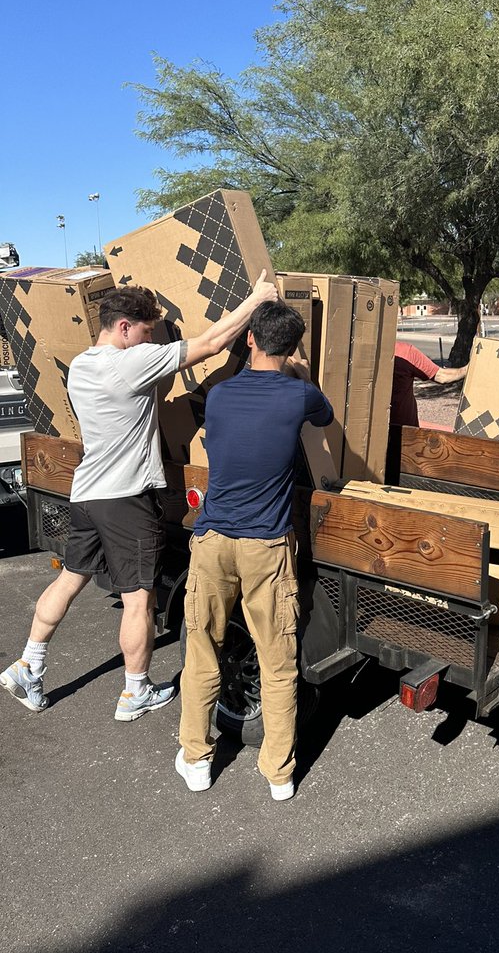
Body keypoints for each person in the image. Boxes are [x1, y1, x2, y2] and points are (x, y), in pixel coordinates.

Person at [0, 271, 278, 719]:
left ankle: (28, 665)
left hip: (87, 493)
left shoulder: (84, 365)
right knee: (139, 598)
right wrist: (256, 299)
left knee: (70, 578)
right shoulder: (130, 363)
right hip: (126, 499)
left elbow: (151, 388)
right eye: (147, 332)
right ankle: (135, 691)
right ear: (124, 327)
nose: (152, 342)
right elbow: (210, 344)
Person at [174, 300, 333, 801]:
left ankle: (197, 759)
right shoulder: (299, 396)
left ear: (249, 341)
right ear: (292, 348)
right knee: (278, 660)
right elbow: (325, 418)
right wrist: (303, 374)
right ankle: (279, 774)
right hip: (267, 545)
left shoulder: (220, 395)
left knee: (202, 650)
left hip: (214, 540)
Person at [386, 341, 468, 479]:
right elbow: (442, 376)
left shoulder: (358, 353)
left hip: (379, 433)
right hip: (406, 435)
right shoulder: (404, 351)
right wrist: (469, 368)